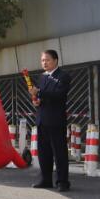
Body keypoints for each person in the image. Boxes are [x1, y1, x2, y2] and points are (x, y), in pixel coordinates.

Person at [29, 48, 71, 191]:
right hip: (42, 119)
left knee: (59, 153)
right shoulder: (42, 77)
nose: (44, 63)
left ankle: (62, 182)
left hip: (56, 120)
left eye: (47, 60)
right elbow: (40, 96)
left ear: (55, 60)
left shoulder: (63, 76)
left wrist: (39, 92)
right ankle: (46, 180)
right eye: (42, 60)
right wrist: (36, 100)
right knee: (44, 152)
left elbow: (59, 94)